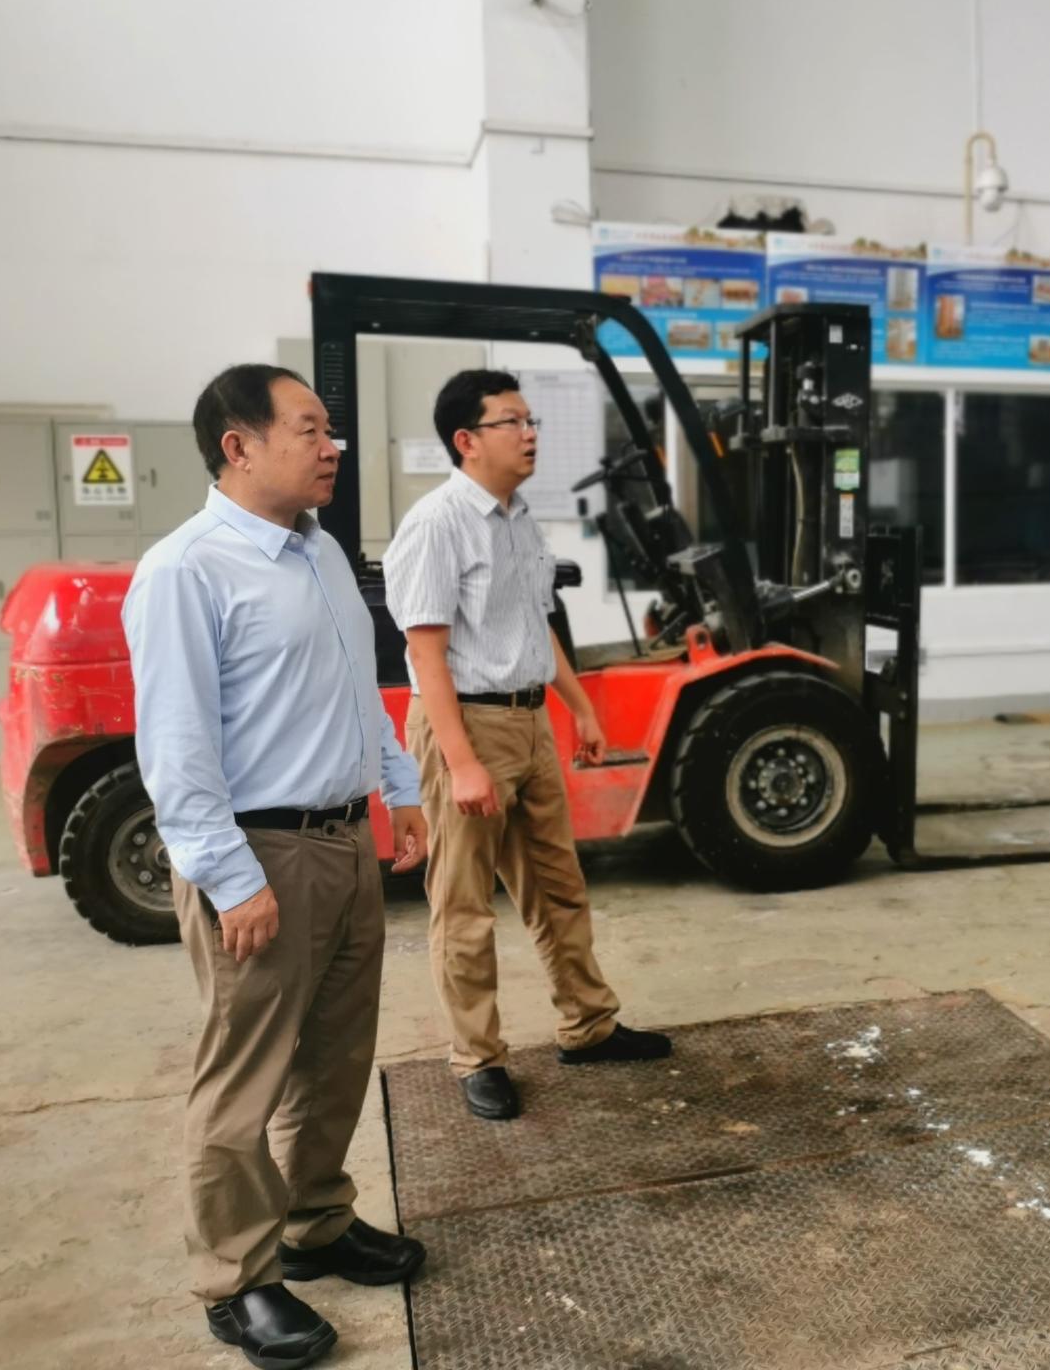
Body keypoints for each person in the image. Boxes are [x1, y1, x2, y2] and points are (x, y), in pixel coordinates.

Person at [124, 364, 432, 1370]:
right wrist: (230, 877)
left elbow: (357, 688)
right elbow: (177, 747)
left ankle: (316, 1222)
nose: (331, 445)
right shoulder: (187, 569)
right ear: (239, 445)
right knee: (244, 1076)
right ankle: (237, 1280)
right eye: (309, 428)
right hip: (259, 854)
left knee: (336, 1056)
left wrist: (398, 788)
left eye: (329, 428)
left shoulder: (321, 551)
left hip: (341, 841)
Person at [384, 369, 672, 1123]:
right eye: (511, 421)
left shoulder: (519, 519)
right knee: (464, 906)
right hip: (465, 725)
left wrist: (580, 709)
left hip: (531, 722)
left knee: (558, 885)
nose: (530, 433)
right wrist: (463, 763)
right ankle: (477, 1058)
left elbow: (535, 622)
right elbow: (426, 655)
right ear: (467, 440)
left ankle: (589, 1025)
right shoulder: (437, 524)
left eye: (530, 419)